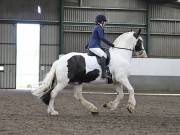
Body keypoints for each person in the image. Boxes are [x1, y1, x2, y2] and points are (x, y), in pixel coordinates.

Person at [87, 14, 114, 79]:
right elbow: (101, 38)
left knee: (106, 51)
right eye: (105, 21)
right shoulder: (99, 27)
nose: (105, 23)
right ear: (102, 21)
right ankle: (103, 74)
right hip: (94, 46)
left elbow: (93, 38)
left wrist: (88, 45)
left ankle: (107, 70)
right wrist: (111, 44)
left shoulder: (96, 27)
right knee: (104, 55)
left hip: (95, 46)